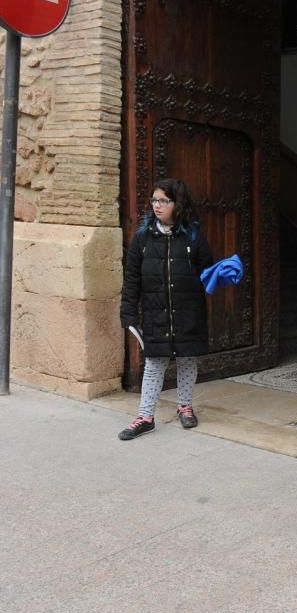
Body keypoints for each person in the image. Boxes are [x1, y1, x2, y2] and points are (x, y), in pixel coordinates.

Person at [118, 178, 214, 441]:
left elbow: (208, 273)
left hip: (187, 312)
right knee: (154, 363)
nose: (157, 205)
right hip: (155, 312)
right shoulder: (142, 239)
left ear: (177, 204)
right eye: (154, 200)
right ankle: (145, 416)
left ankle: (185, 406)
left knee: (186, 360)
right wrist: (127, 312)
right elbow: (132, 278)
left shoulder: (193, 236)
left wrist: (224, 274)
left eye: (163, 200)